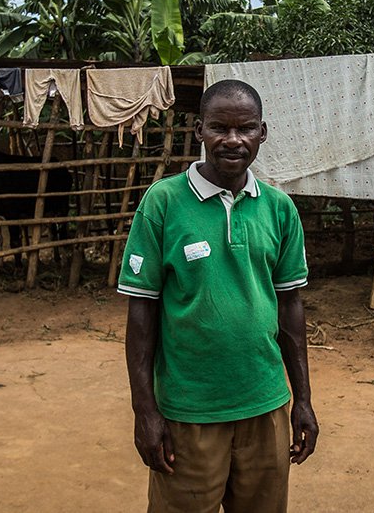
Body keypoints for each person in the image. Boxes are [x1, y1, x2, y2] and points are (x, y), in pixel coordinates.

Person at [119, 79, 318, 512]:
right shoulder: (164, 202)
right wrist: (145, 411)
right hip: (189, 411)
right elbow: (141, 313)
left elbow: (290, 307)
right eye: (219, 128)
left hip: (265, 405)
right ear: (198, 131)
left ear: (262, 132)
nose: (233, 140)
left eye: (245, 128)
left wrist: (302, 400)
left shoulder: (279, 209)